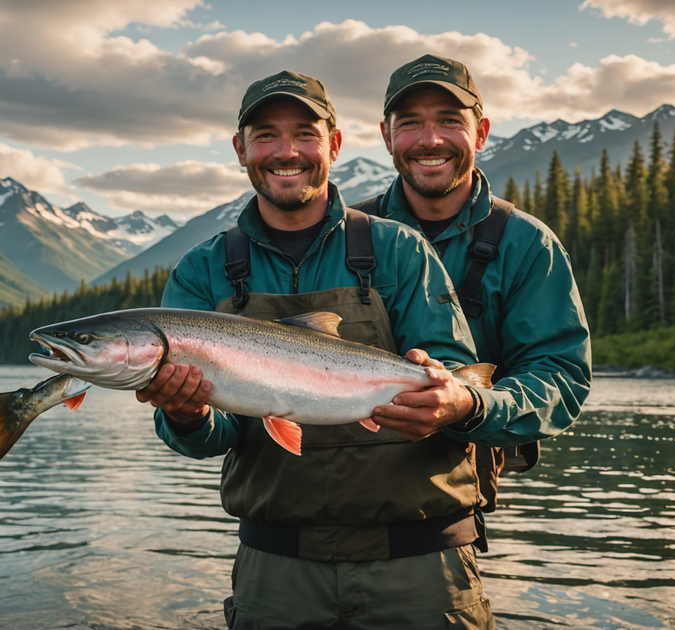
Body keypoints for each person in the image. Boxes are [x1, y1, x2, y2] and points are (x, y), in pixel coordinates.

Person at [136, 70, 497, 628]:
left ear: (332, 144)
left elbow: (450, 375)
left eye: (304, 133)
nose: (286, 152)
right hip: (276, 567)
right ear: (240, 150)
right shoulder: (203, 269)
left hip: (422, 562)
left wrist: (454, 398)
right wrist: (186, 415)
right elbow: (211, 439)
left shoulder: (398, 248)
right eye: (265, 136)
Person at [356, 55, 591, 501]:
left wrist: (471, 404)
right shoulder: (342, 234)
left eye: (449, 121)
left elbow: (560, 375)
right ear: (386, 136)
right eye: (410, 123)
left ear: (480, 133)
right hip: (329, 490)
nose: (431, 140)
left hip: (445, 514)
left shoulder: (527, 244)